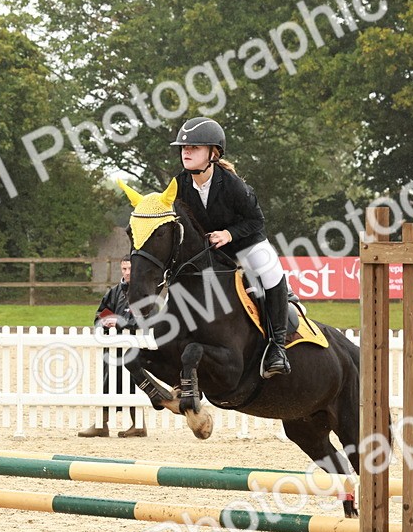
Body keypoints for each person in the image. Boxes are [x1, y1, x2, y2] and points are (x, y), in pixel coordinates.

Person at [171, 116, 291, 377]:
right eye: (183, 148)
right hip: (211, 249)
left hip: (246, 242)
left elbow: (256, 221)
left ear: (213, 153)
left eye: (194, 147)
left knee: (271, 270)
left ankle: (277, 347)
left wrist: (229, 233)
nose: (186, 151)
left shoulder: (233, 185)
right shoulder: (179, 184)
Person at [79, 256, 145, 438]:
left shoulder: (144, 293)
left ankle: (139, 425)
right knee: (108, 383)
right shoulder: (114, 292)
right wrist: (105, 321)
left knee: (134, 385)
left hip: (135, 349)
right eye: (124, 269)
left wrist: (119, 322)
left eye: (130, 268)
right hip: (113, 349)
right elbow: (100, 314)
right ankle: (102, 424)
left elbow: (145, 320)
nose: (127, 272)